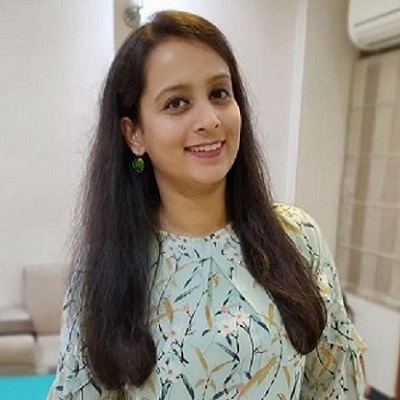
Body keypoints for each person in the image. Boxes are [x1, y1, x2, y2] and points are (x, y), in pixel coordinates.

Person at [47, 10, 366, 399]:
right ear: (134, 134)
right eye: (177, 102)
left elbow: (335, 383)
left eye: (219, 94)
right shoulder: (106, 267)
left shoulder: (297, 238)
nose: (210, 120)